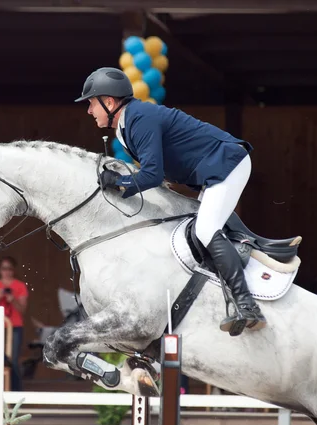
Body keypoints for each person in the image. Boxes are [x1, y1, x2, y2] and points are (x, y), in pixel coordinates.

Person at [75, 67, 266, 336]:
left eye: (91, 103)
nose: (88, 110)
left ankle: (247, 305)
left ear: (109, 102)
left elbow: (152, 175)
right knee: (197, 229)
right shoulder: (125, 128)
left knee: (206, 229)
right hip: (211, 172)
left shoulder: (139, 117)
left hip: (226, 163)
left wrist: (120, 183)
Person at [0, 256, 28, 391]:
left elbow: (22, 310)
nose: (7, 272)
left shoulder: (20, 286)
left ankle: (15, 393)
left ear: (14, 270)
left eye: (10, 268)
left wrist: (13, 300)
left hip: (15, 326)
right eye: (4, 268)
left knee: (14, 360)